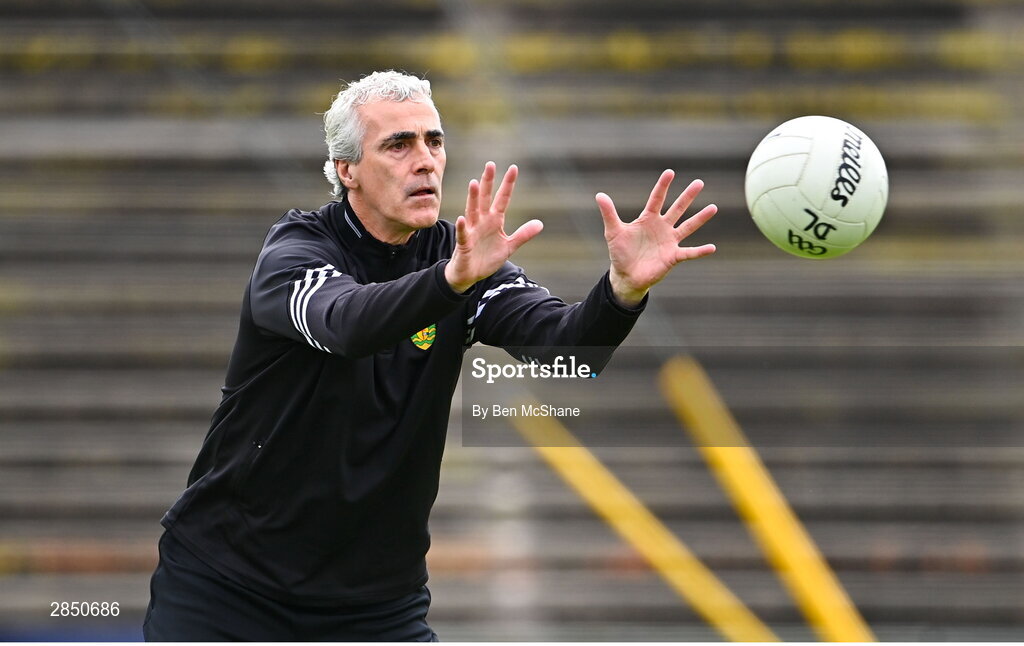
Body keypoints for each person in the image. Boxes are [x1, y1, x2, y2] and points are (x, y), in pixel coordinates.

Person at [143, 70, 717, 641]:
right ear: (347, 170)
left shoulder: (456, 257)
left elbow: (568, 352)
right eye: (398, 144)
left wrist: (622, 290)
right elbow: (348, 325)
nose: (424, 160)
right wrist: (449, 283)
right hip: (228, 589)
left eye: (434, 141)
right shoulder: (295, 253)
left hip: (375, 605)